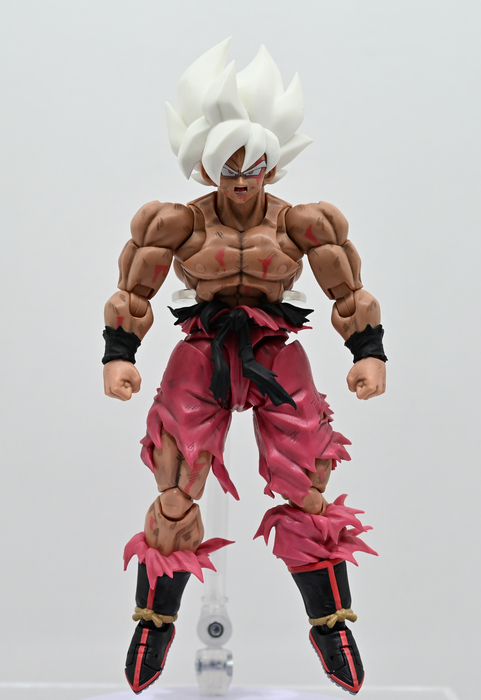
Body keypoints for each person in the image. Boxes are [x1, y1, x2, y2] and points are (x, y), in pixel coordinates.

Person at [102, 39, 387, 695]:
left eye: (252, 164)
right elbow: (132, 291)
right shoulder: (174, 223)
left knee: (306, 486)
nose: (240, 177)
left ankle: (331, 622)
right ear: (203, 166)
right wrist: (120, 355)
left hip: (274, 350)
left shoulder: (304, 223)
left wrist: (367, 351)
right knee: (176, 488)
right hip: (202, 348)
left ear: (272, 166)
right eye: (226, 165)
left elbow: (348, 290)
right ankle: (155, 621)